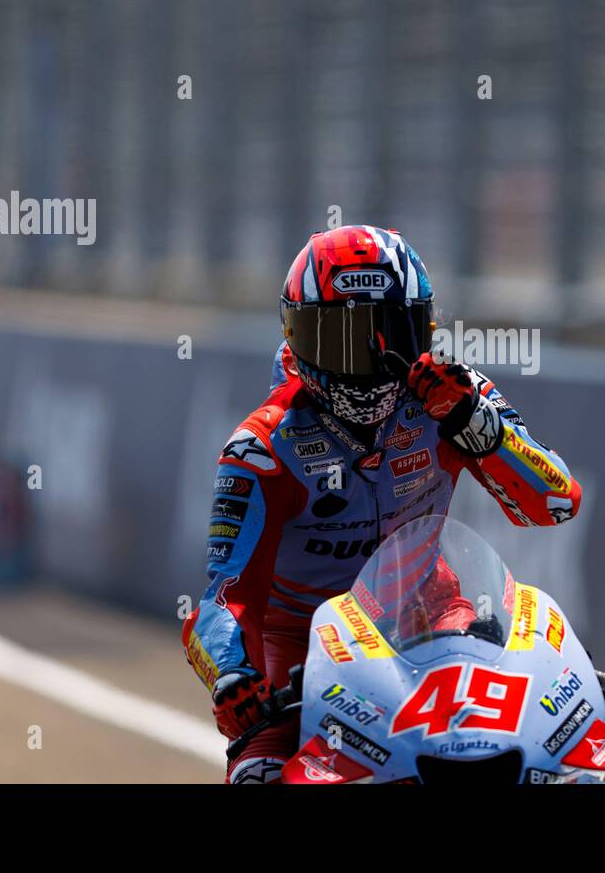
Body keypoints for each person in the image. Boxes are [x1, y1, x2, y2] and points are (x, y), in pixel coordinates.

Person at [180, 225, 582, 783]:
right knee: (260, 774)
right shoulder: (261, 449)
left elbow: (555, 501)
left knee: (538, 759)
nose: (366, 363)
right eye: (338, 339)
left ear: (423, 331)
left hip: (430, 616)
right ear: (295, 337)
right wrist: (233, 675)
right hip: (299, 645)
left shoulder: (455, 397)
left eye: (387, 335)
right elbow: (223, 600)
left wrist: (477, 428)